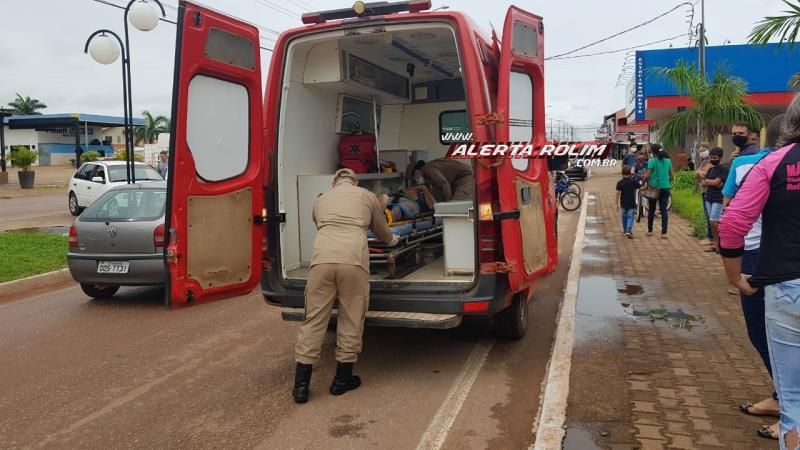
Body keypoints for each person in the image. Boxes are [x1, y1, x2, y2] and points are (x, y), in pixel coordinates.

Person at [719, 93, 800, 449]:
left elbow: (733, 221)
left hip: (787, 288)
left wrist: (734, 277)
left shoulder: (773, 163)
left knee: (794, 399)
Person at [292, 168, 398, 404]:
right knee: (351, 316)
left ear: (334, 184)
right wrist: (393, 240)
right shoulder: (366, 196)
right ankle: (342, 380)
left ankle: (300, 387)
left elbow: (319, 223)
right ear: (355, 182)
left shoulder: (320, 200)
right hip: (352, 262)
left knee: (314, 320)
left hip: (321, 262)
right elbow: (382, 231)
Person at [697, 147, 727, 252]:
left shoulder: (724, 169)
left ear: (720, 158)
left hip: (718, 198)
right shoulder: (711, 169)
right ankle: (715, 243)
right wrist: (712, 182)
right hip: (709, 197)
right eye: (711, 158)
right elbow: (705, 182)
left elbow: (716, 183)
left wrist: (710, 182)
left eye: (715, 157)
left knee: (715, 221)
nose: (713, 159)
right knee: (711, 221)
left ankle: (720, 244)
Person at [641, 143, 673, 238]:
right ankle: (664, 233)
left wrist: (642, 184)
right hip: (665, 188)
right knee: (664, 210)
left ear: (653, 152)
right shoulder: (668, 161)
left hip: (654, 188)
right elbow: (672, 176)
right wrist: (666, 182)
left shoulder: (652, 161)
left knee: (651, 209)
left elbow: (647, 175)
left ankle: (650, 231)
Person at [694, 143, 714, 246]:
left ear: (708, 149)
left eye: (704, 150)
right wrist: (698, 172)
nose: (702, 152)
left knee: (709, 214)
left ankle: (711, 237)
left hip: (708, 190)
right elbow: (698, 175)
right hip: (703, 189)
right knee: (707, 214)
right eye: (700, 151)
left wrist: (698, 172)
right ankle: (710, 236)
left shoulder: (710, 161)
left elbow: (704, 174)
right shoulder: (703, 162)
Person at [616, 165, 638, 238]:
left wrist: (616, 203)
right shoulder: (634, 181)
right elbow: (641, 187)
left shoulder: (620, 182)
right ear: (630, 173)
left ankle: (625, 230)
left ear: (622, 173)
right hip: (631, 202)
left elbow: (617, 193)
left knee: (624, 216)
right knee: (630, 216)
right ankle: (628, 230)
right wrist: (646, 186)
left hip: (623, 203)